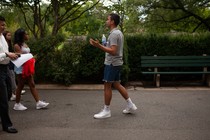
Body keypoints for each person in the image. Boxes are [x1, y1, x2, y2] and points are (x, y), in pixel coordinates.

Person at [89, 13, 137, 119]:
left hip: (112, 63)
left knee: (107, 86)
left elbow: (113, 51)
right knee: (117, 84)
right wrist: (101, 44)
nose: (106, 21)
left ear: (112, 22)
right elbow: (113, 48)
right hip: (116, 63)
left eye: (108, 19)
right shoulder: (117, 33)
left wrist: (99, 46)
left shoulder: (114, 34)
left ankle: (106, 110)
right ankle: (130, 105)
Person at [13, 28, 49, 111]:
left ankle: (38, 102)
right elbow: (20, 58)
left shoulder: (24, 44)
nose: (27, 35)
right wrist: (30, 57)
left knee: (32, 84)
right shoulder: (17, 45)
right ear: (21, 36)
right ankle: (17, 104)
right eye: (26, 34)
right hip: (21, 68)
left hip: (27, 66)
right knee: (20, 86)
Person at [0, 15, 18, 133]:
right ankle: (7, 125)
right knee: (3, 99)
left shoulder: (2, 36)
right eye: (1, 24)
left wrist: (12, 55)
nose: (4, 27)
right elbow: (4, 54)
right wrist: (7, 55)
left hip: (5, 68)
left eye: (4, 24)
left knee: (6, 95)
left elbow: (5, 52)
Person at [3, 31, 26, 101]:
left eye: (10, 35)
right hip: (6, 62)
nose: (10, 36)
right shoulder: (7, 44)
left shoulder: (8, 43)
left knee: (12, 76)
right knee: (11, 77)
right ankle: (14, 92)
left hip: (9, 61)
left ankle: (15, 91)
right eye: (8, 35)